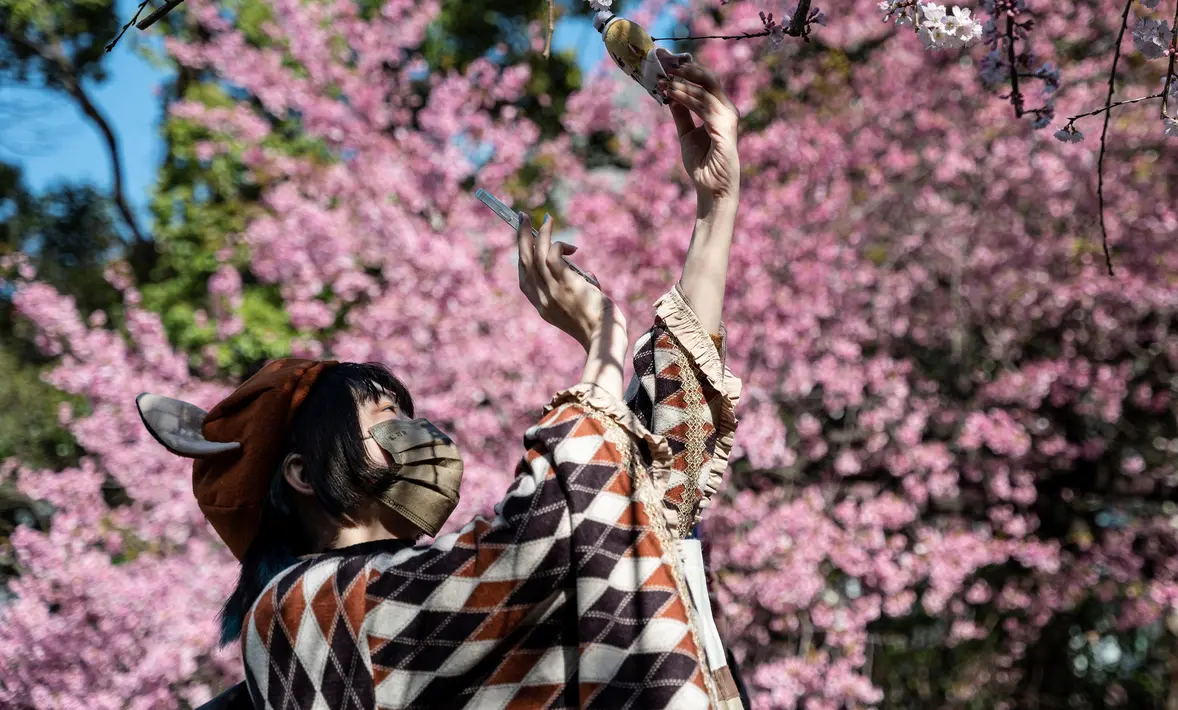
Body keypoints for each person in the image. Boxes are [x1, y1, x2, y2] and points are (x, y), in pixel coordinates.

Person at [146, 62, 744, 709]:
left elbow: (645, 483)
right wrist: (602, 342)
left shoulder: (442, 591)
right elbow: (538, 539)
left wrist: (715, 207)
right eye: (383, 418)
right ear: (302, 472)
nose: (420, 433)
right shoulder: (294, 615)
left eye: (411, 412)